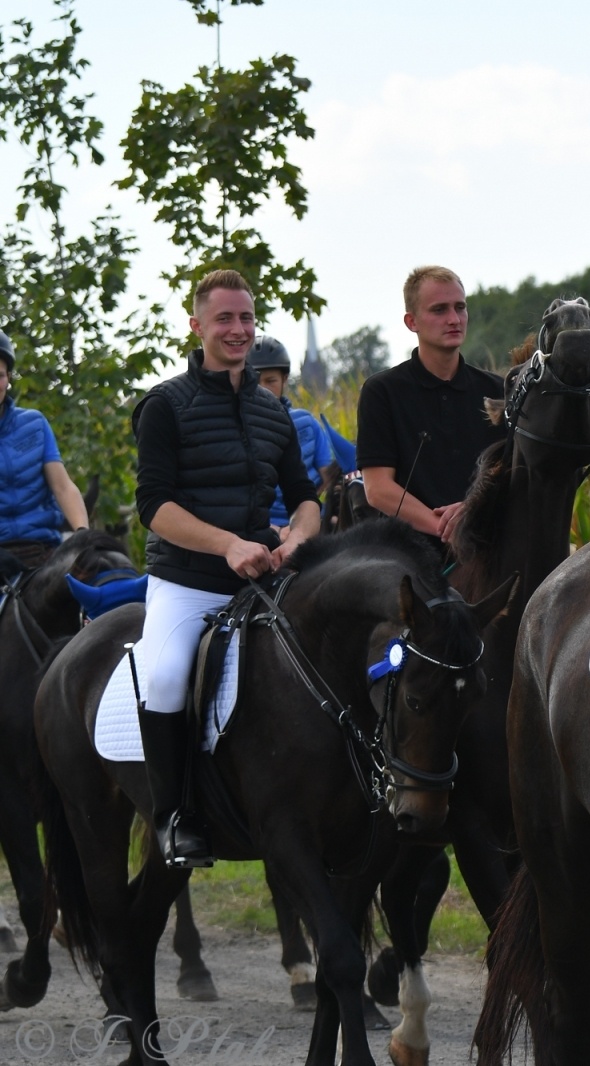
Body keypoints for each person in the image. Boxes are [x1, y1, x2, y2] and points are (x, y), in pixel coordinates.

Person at [132, 270, 321, 867]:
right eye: (224, 319)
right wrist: (227, 545)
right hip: (187, 583)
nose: (238, 330)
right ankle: (174, 817)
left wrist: (297, 542)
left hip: (264, 579)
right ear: (197, 326)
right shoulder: (164, 406)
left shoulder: (274, 412)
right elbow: (154, 507)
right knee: (166, 676)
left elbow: (305, 498)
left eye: (246, 319)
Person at [355, 266, 502, 552]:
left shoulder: (498, 391)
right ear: (412, 322)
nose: (454, 319)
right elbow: (378, 489)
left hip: (490, 543)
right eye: (439, 310)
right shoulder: (382, 391)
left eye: (460, 307)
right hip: (407, 552)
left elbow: (516, 476)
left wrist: (472, 512)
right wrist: (447, 528)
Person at [0, 330, 90, 566]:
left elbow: (62, 487)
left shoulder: (35, 424)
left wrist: (83, 534)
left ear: (9, 377)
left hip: (42, 548)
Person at [247, 335, 333, 530]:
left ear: (284, 380)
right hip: (261, 527)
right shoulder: (237, 428)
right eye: (255, 381)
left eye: (270, 381)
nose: (263, 389)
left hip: (308, 521)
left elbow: (328, 475)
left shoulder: (307, 424)